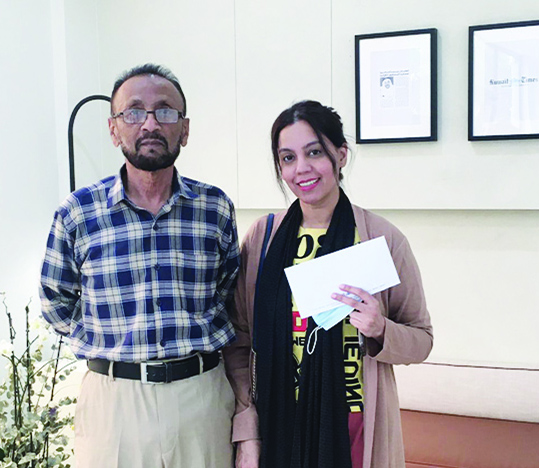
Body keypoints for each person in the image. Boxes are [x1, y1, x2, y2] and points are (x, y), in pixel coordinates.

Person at [39, 63, 240, 468]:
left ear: (184, 128)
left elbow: (228, 290)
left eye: (165, 111)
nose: (149, 123)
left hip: (199, 396)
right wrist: (105, 339)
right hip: (113, 401)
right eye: (133, 112)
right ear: (114, 129)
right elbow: (54, 300)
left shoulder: (213, 208)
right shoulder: (78, 212)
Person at [224, 100, 433, 468]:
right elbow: (239, 339)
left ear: (341, 155)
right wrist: (247, 431)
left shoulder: (378, 239)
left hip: (352, 424)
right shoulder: (264, 237)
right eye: (287, 158)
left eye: (314, 152)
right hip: (275, 422)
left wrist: (380, 328)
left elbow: (422, 340)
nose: (301, 168)